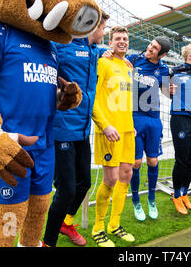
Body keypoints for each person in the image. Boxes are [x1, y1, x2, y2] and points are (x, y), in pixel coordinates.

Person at [43, 12, 109, 247]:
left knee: (84, 183)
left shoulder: (94, 52)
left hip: (83, 130)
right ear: (93, 27)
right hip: (62, 128)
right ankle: (48, 242)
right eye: (104, 27)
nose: (105, 32)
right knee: (66, 189)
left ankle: (64, 223)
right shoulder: (63, 45)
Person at [90, 26, 135, 247]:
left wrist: (131, 125)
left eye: (125, 38)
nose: (122, 41)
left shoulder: (127, 66)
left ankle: (114, 224)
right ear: (110, 42)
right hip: (109, 131)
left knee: (126, 175)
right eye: (117, 38)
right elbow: (94, 99)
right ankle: (98, 227)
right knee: (110, 179)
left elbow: (125, 100)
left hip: (127, 130)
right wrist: (105, 125)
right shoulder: (102, 62)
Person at [127, 36, 172, 221]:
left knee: (153, 161)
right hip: (135, 117)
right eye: (151, 45)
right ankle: (136, 200)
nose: (150, 48)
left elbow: (167, 92)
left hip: (154, 119)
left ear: (162, 54)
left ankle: (151, 199)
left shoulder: (163, 69)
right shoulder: (134, 59)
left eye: (155, 48)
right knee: (136, 162)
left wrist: (171, 91)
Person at [170, 44, 191, 215]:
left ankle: (184, 193)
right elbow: (159, 82)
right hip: (179, 118)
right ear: (190, 56)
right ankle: (176, 195)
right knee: (182, 159)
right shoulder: (174, 72)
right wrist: (166, 90)